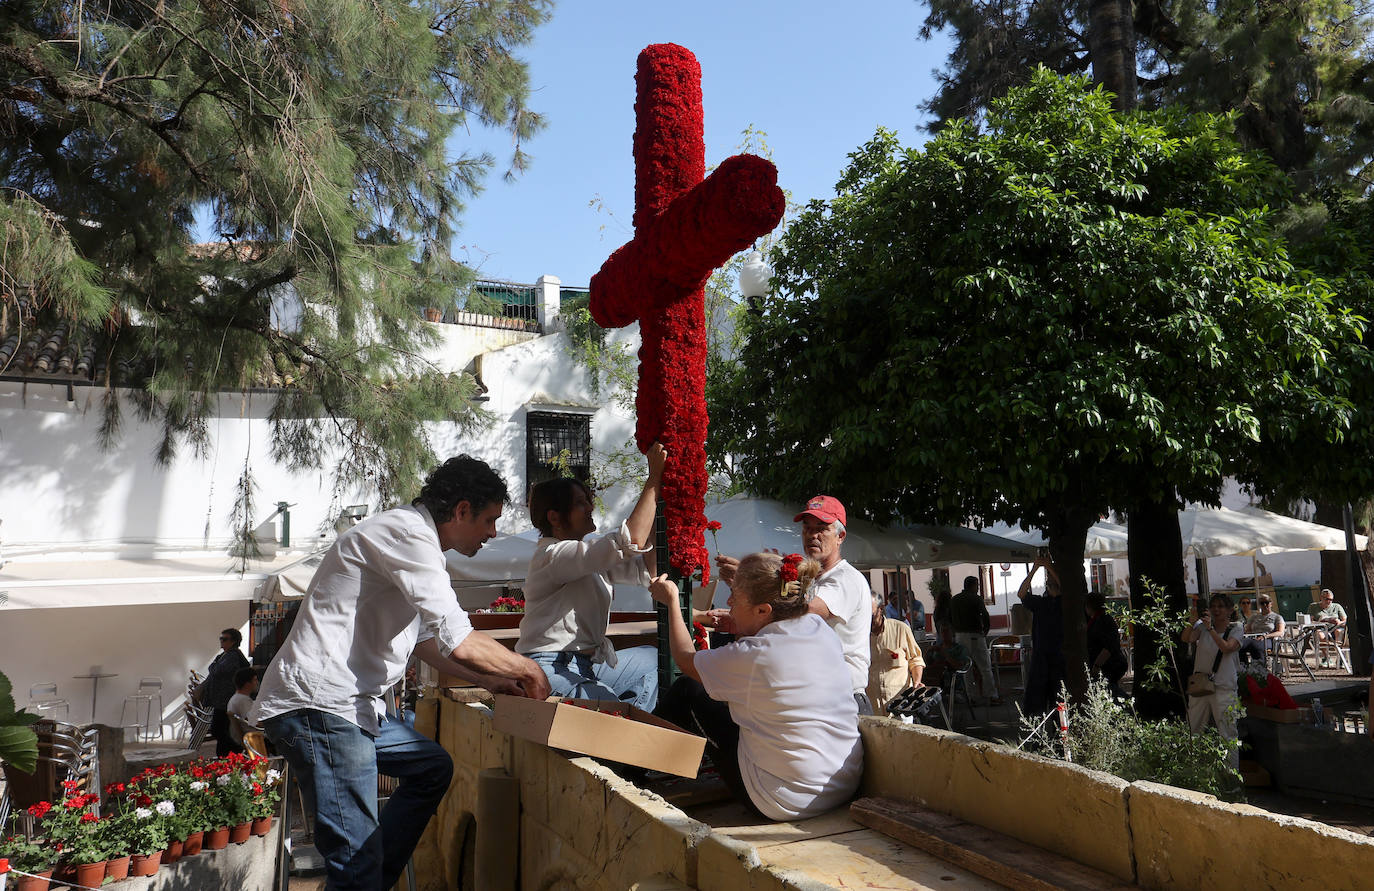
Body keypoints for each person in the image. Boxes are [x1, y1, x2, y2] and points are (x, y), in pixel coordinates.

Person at [252, 455, 551, 891]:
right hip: (323, 706)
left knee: (431, 769)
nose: (492, 534)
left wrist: (489, 680)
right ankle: (361, 881)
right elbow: (459, 638)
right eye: (489, 521)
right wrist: (528, 669)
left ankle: (364, 882)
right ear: (461, 510)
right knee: (356, 863)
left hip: (350, 707)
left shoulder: (417, 544)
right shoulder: (407, 534)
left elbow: (428, 642)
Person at [650, 553, 863, 820]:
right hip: (843, 786)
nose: (728, 603)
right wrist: (744, 623)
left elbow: (684, 659)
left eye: (735, 599)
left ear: (763, 610)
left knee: (688, 690)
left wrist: (672, 601)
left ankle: (625, 767)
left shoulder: (755, 654)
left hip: (782, 801)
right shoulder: (818, 627)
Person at [516, 444, 666, 711]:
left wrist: (662, 498)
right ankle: (619, 724)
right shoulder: (553, 555)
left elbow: (647, 568)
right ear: (555, 517)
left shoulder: (586, 555)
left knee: (655, 660)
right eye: (580, 503)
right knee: (615, 716)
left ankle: (619, 720)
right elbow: (630, 539)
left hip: (586, 665)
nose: (590, 508)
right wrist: (654, 479)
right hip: (549, 666)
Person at [717, 495, 873, 715]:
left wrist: (753, 580)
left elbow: (803, 612)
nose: (813, 535)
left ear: (841, 536)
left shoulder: (845, 578)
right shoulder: (809, 580)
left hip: (841, 700)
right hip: (814, 695)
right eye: (807, 528)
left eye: (822, 528)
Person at [1182, 593, 1243, 771]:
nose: (1216, 610)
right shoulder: (1202, 627)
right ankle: (1195, 773)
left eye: (1221, 606)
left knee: (1227, 734)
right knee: (1194, 730)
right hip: (1201, 686)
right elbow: (1187, 638)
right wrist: (1192, 620)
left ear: (1230, 610)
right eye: (1213, 606)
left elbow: (1227, 648)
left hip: (1224, 688)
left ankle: (1231, 779)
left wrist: (1210, 630)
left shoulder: (1236, 628)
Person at [1017, 557, 1063, 715]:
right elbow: (1021, 593)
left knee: (1059, 698)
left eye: (1051, 576)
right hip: (1041, 656)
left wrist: (1049, 567)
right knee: (1036, 699)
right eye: (1048, 578)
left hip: (1060, 656)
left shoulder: (1064, 602)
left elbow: (1064, 590)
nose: (1049, 578)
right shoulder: (1041, 602)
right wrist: (1034, 569)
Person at [868, 590, 925, 713]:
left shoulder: (901, 629)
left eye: (871, 615)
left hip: (900, 707)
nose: (867, 620)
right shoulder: (859, 637)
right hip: (873, 709)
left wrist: (917, 682)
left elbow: (916, 659)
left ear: (881, 609)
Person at [196, 627, 249, 757]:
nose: (222, 641)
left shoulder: (232, 656)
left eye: (224, 639)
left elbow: (218, 671)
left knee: (218, 729)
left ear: (234, 641)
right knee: (222, 730)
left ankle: (236, 751)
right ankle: (224, 756)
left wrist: (213, 665)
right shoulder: (226, 655)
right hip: (222, 700)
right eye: (221, 638)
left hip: (225, 700)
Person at [951, 575, 999, 704]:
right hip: (975, 635)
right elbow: (985, 616)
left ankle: (971, 697)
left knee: (967, 668)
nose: (978, 588)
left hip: (960, 636)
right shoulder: (976, 599)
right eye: (977, 585)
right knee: (985, 667)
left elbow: (949, 618)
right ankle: (992, 696)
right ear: (973, 586)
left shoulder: (954, 599)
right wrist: (985, 631)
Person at [1084, 593, 1128, 699]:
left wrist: (1096, 666)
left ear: (1090, 606)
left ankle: (1128, 704)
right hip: (1107, 664)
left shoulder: (1102, 621)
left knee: (1110, 691)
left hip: (1109, 664)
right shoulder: (1097, 620)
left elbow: (1108, 647)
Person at [1308, 588, 1348, 668]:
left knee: (1339, 632)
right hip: (1321, 628)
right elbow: (1310, 621)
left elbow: (1345, 620)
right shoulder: (1313, 606)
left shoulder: (1337, 606)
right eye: (1327, 599)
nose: (1329, 601)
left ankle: (1340, 658)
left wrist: (1338, 622)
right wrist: (1319, 621)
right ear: (1321, 598)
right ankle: (1327, 657)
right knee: (1319, 634)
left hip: (1335, 628)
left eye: (1331, 599)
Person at [1245, 594, 1285, 669]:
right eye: (1262, 603)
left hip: (1268, 639)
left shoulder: (1277, 617)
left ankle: (1259, 670)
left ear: (1271, 603)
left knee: (1256, 646)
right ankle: (1243, 668)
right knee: (1240, 646)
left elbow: (1280, 632)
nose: (1264, 605)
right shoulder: (1254, 616)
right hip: (1253, 638)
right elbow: (1248, 630)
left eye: (1266, 602)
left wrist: (1265, 636)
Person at [224, 667, 259, 753]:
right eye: (255, 680)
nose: (257, 683)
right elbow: (255, 722)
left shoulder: (236, 698)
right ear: (247, 684)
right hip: (254, 739)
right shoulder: (243, 700)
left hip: (245, 738)